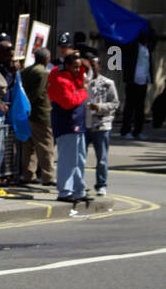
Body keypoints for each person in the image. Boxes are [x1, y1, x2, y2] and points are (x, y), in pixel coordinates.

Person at [48, 52, 89, 202]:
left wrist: (83, 64)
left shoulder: (74, 78)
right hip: (67, 125)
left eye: (80, 67)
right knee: (68, 160)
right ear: (67, 66)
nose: (79, 70)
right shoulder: (60, 80)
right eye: (75, 67)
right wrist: (83, 92)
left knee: (79, 159)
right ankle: (65, 191)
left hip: (77, 124)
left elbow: (83, 72)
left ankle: (79, 190)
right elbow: (69, 102)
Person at [19, 48, 55, 186]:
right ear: (47, 59)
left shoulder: (26, 71)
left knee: (29, 146)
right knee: (45, 145)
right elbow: (38, 93)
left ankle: (28, 174)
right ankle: (48, 176)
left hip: (27, 114)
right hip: (41, 113)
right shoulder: (42, 73)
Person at [84, 55, 118, 197]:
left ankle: (101, 185)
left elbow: (115, 104)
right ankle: (80, 183)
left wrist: (100, 107)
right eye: (89, 65)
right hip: (85, 124)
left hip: (101, 125)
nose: (92, 67)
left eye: (94, 65)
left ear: (100, 66)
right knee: (80, 157)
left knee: (102, 158)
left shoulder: (107, 83)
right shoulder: (83, 82)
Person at [121, 29, 153, 140]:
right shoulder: (132, 47)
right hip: (132, 80)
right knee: (129, 107)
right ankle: (126, 130)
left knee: (140, 108)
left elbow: (154, 38)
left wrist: (149, 26)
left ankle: (138, 131)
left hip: (143, 81)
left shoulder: (148, 48)